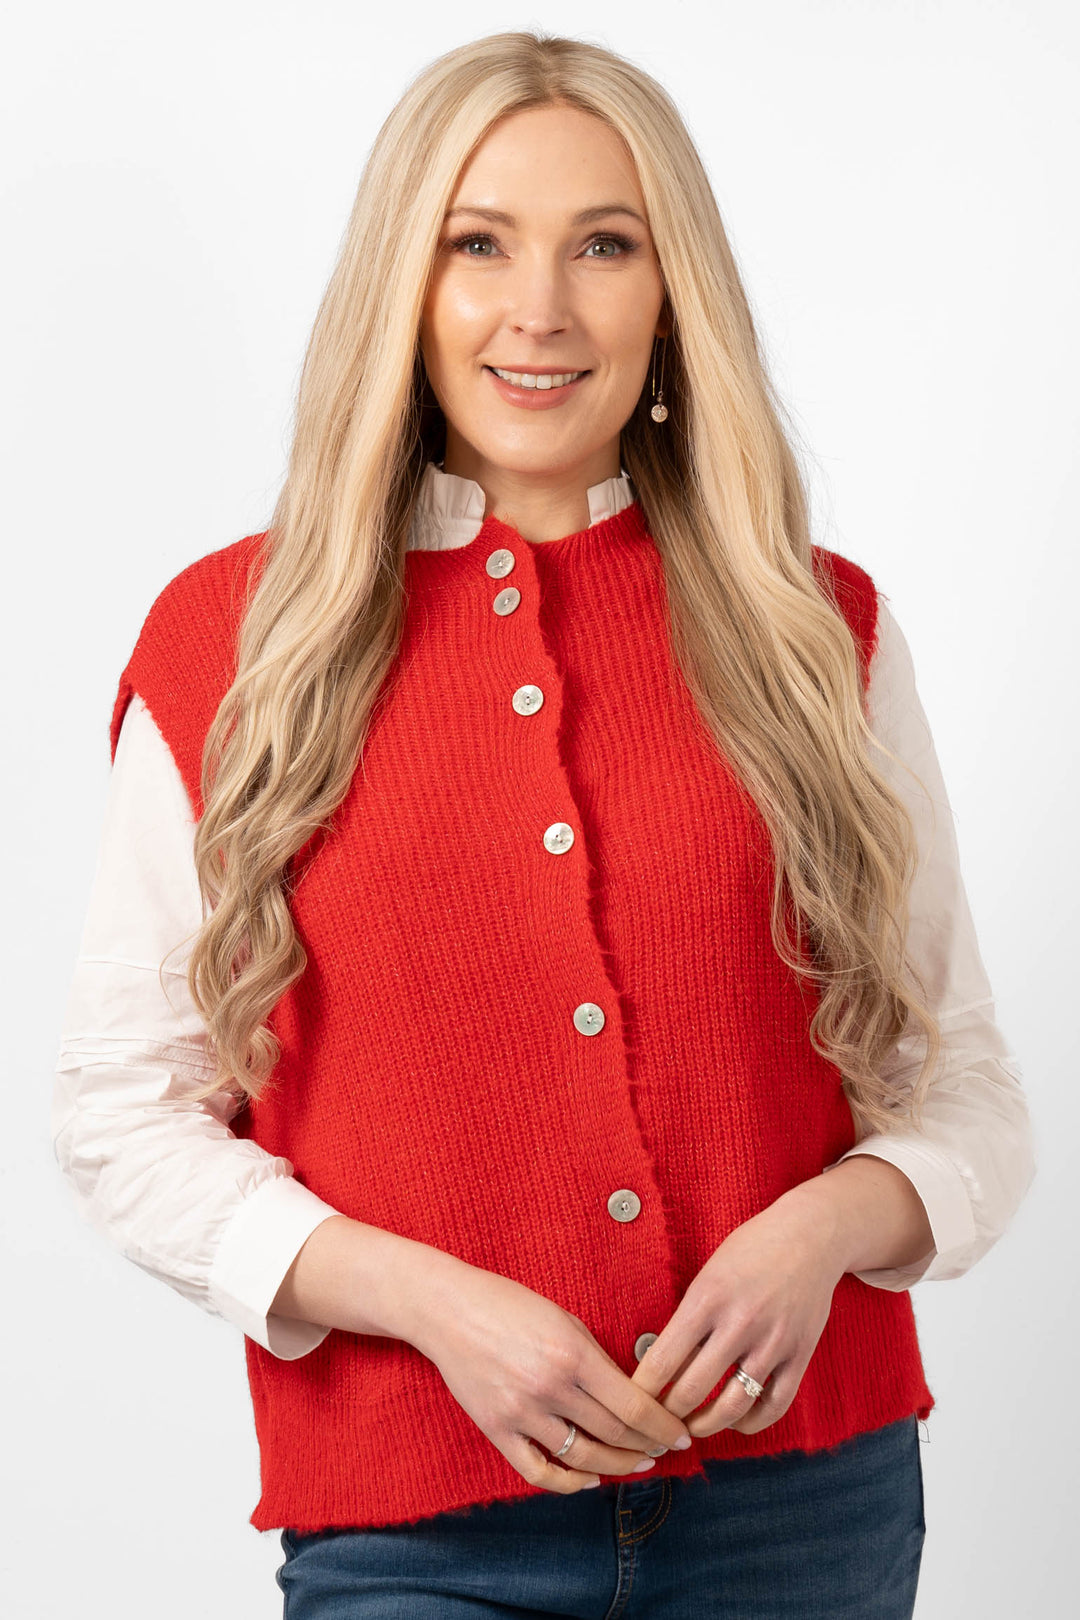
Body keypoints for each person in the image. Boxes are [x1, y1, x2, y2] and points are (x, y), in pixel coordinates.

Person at [52, 27, 1036, 1619]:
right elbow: (121, 1109)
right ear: (404, 284)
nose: (541, 312)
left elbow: (965, 1088)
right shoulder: (235, 639)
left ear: (673, 293)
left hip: (807, 1514)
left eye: (605, 245)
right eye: (478, 244)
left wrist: (826, 1230)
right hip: (418, 1530)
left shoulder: (819, 631)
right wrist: (432, 1304)